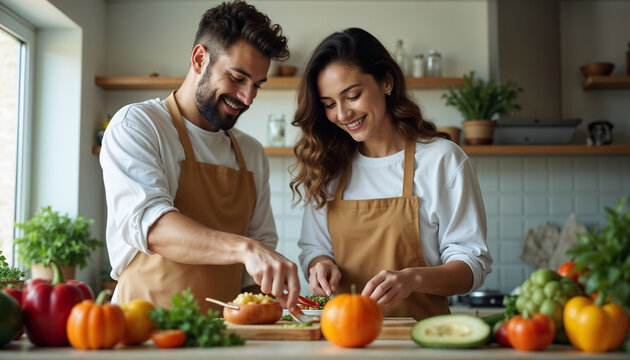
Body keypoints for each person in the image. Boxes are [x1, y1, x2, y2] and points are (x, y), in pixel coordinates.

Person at [100, 0, 300, 313]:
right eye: (236, 77)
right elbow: (153, 228)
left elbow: (256, 262)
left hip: (221, 337)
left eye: (256, 85)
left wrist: (266, 304)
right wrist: (245, 248)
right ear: (199, 59)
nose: (248, 97)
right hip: (142, 333)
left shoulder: (250, 153)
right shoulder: (138, 125)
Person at [290, 28, 492, 320]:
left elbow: (472, 265)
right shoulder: (328, 167)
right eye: (330, 105)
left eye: (353, 96)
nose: (343, 114)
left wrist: (414, 279)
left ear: (387, 81)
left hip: (422, 341)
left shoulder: (441, 161)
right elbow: (314, 249)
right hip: (344, 339)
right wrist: (319, 264)